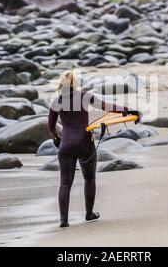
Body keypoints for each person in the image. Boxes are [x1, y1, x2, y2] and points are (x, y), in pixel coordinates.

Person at [47, 70, 139, 228]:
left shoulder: (56, 101)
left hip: (66, 146)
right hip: (84, 143)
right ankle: (89, 214)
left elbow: (50, 126)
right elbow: (107, 106)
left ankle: (64, 220)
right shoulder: (84, 96)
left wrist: (56, 139)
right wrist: (127, 110)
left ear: (60, 84)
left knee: (65, 183)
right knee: (89, 178)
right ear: (75, 83)